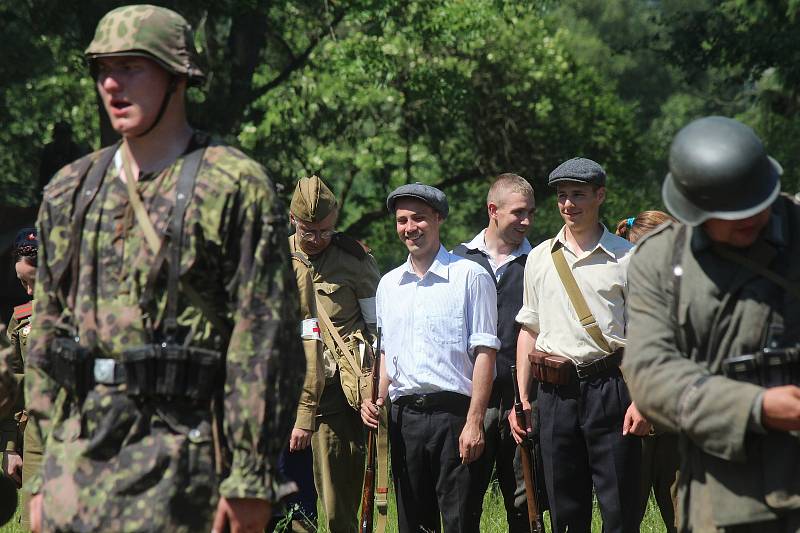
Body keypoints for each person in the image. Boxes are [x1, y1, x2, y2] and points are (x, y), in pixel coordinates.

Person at [25, 6, 304, 533]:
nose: (112, 82)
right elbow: (46, 335)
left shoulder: (233, 184)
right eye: (104, 67)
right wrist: (42, 479)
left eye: (133, 66)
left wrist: (248, 479)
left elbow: (264, 341)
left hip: (189, 470)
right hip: (79, 470)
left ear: (179, 77)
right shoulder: (70, 190)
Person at [624, 115, 800, 532]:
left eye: (756, 206)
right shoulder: (660, 261)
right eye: (733, 214)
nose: (750, 219)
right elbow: (650, 374)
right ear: (694, 209)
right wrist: (755, 407)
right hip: (726, 496)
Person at [509, 157, 650, 533]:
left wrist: (642, 398)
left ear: (600, 195)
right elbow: (529, 331)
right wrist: (522, 398)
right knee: (564, 510)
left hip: (612, 389)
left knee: (620, 510)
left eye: (579, 195)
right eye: (562, 196)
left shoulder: (628, 257)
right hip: (555, 395)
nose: (569, 204)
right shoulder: (538, 257)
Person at [361, 183, 500, 533]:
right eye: (402, 220)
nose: (410, 228)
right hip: (404, 419)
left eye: (419, 219)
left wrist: (475, 421)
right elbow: (387, 355)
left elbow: (485, 353)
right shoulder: (389, 286)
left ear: (438, 219)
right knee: (412, 523)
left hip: (454, 417)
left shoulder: (471, 277)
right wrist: (375, 399)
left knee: (459, 522)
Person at [288, 175, 381, 533]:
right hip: (286, 398)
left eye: (324, 232)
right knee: (292, 509)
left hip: (336, 402)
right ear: (293, 220)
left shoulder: (354, 261)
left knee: (338, 507)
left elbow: (377, 330)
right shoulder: (275, 258)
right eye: (307, 231)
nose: (316, 240)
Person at [453, 173, 535, 531]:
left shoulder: (539, 262)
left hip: (522, 401)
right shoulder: (457, 262)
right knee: (464, 502)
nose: (527, 221)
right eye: (519, 212)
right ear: (493, 210)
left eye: (530, 212)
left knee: (525, 503)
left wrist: (527, 398)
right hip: (469, 402)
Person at [615, 211, 680, 533]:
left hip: (680, 423)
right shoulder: (621, 291)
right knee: (626, 515)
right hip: (629, 416)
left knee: (686, 518)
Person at [3, 228, 45, 531]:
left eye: (33, 281)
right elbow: (12, 388)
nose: (28, 291)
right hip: (36, 441)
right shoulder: (22, 320)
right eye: (22, 283)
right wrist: (9, 448)